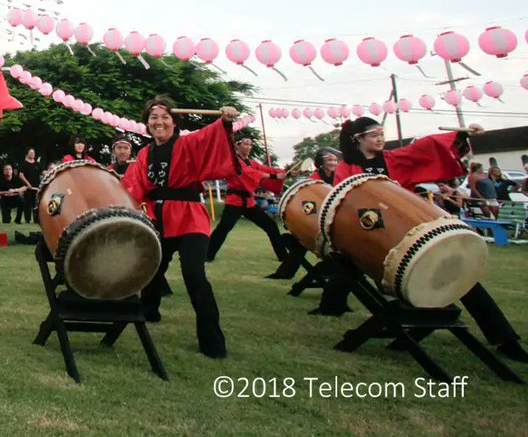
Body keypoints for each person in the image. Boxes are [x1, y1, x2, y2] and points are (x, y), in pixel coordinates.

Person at [335, 117, 527, 363]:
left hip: (411, 226)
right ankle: (337, 304)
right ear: (357, 139)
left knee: (463, 277)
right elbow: (344, 200)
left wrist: (461, 137)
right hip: (376, 236)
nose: (381, 138)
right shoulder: (347, 167)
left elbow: (425, 148)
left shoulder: (394, 159)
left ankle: (506, 340)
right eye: (374, 135)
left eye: (382, 133)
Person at [120, 96, 241, 359]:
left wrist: (226, 120)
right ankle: (148, 311)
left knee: (194, 274)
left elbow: (210, 135)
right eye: (153, 117)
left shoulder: (187, 143)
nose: (159, 121)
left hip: (188, 217)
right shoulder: (144, 154)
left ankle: (212, 342)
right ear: (147, 123)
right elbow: (134, 185)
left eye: (164, 117)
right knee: (152, 268)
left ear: (174, 122)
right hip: (158, 216)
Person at [207, 134, 287, 263]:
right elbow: (249, 173)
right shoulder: (233, 161)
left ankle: (283, 256)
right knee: (223, 228)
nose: (248, 147)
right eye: (245, 144)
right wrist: (273, 177)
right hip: (235, 201)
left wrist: (284, 172)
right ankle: (207, 254)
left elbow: (266, 169)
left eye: (250, 144)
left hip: (249, 202)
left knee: (270, 225)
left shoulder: (251, 162)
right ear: (237, 145)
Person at [267, 147, 339, 281]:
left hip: (334, 217)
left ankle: (286, 272)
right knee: (301, 242)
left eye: (335, 160)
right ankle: (286, 273)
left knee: (300, 245)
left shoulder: (339, 176)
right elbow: (308, 201)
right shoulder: (313, 179)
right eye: (330, 160)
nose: (334, 163)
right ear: (321, 163)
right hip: (315, 216)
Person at [18, 148, 43, 224]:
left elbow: (43, 172)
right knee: (27, 205)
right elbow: (21, 175)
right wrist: (27, 183)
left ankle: (36, 220)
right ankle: (27, 220)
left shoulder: (38, 164)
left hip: (37, 188)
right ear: (27, 154)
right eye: (31, 152)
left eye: (33, 152)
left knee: (36, 205)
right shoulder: (24, 163)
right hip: (28, 188)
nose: (32, 154)